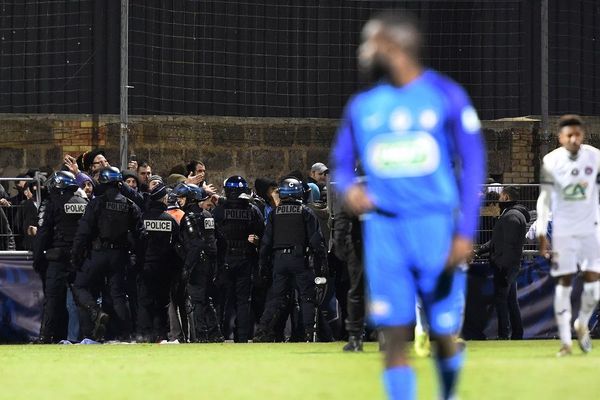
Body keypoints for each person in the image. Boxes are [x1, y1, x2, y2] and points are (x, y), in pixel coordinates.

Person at [330, 11, 485, 400]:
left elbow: (474, 161)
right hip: (384, 230)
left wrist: (465, 231)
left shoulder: (445, 95)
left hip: (434, 226)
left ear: (395, 48)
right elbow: (341, 162)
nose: (363, 53)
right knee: (394, 335)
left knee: (442, 333)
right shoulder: (363, 106)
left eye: (370, 44)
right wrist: (349, 189)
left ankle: (447, 393)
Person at [536, 114, 600, 356]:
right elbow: (544, 200)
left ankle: (581, 322)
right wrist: (542, 233)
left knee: (595, 288)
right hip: (564, 230)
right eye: (569, 135)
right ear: (560, 137)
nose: (574, 139)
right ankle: (565, 342)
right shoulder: (551, 161)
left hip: (591, 229)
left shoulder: (595, 157)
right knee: (564, 282)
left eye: (577, 134)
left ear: (582, 135)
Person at [71, 167, 145, 341]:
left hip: (98, 253)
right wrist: (135, 258)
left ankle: (95, 313)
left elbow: (83, 232)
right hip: (120, 255)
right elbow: (140, 236)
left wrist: (76, 256)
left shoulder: (96, 203)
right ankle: (126, 334)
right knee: (118, 295)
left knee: (80, 286)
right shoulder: (129, 205)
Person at [254, 178, 326, 342]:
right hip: (300, 259)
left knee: (276, 298)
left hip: (279, 260)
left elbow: (266, 242)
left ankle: (262, 332)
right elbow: (317, 242)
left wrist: (263, 266)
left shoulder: (274, 213)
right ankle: (309, 334)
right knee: (307, 297)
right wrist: (322, 267)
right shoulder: (305, 212)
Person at [32, 171, 88, 343]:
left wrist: (37, 258)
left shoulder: (51, 203)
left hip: (57, 259)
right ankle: (86, 335)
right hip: (80, 259)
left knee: (53, 299)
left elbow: (43, 233)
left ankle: (46, 336)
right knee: (81, 298)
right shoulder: (84, 202)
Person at [212, 176, 264, 342]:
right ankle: (242, 337)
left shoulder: (219, 210)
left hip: (224, 258)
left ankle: (219, 334)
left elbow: (211, 234)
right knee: (243, 301)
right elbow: (262, 234)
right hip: (245, 258)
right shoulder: (252, 210)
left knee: (222, 299)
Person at [475, 186, 529, 340]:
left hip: (505, 267)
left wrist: (504, 267)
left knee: (502, 300)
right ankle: (517, 334)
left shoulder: (511, 216)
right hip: (508, 265)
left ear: (505, 197)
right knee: (511, 300)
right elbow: (496, 241)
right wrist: (478, 251)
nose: (498, 200)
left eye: (500, 197)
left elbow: (509, 245)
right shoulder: (510, 214)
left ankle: (504, 335)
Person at [174, 182, 223, 342]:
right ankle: (215, 334)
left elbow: (195, 244)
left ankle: (202, 335)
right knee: (206, 299)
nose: (179, 201)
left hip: (198, 263)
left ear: (190, 199)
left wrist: (187, 267)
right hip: (210, 261)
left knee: (197, 300)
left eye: (182, 197)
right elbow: (219, 239)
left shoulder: (189, 217)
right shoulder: (208, 215)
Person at [136, 183, 180, 342]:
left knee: (144, 301)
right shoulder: (170, 220)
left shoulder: (143, 217)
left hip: (146, 266)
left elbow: (137, 243)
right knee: (162, 303)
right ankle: (160, 335)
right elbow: (177, 245)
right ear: (163, 198)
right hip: (164, 267)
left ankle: (143, 335)